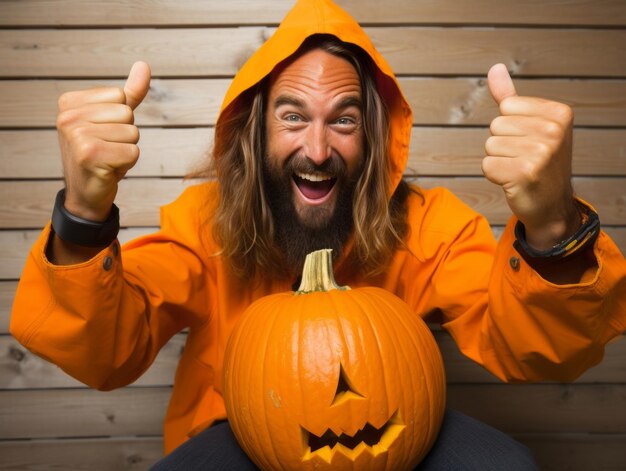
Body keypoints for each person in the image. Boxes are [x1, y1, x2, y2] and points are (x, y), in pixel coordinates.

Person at [10, 0, 626, 469]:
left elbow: (535, 345)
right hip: (246, 435)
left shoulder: (428, 226)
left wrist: (551, 226)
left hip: (393, 433)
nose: (318, 148)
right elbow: (104, 347)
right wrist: (84, 216)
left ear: (374, 136)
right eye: (293, 116)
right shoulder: (204, 225)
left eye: (345, 120)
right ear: (256, 129)